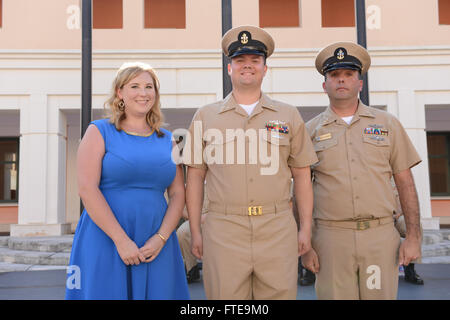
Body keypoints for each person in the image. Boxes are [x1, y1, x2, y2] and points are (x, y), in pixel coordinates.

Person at [184, 25, 318, 300]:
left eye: (255, 61)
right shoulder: (205, 116)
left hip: (277, 227)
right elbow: (195, 177)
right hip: (223, 229)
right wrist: (196, 230)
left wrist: (305, 228)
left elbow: (302, 176)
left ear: (265, 68)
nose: (248, 66)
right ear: (229, 68)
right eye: (240, 61)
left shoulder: (288, 115)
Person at [302, 42, 422, 300]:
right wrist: (304, 246)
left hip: (379, 239)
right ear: (325, 85)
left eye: (348, 75)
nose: (341, 80)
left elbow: (406, 183)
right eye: (334, 75)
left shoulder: (387, 124)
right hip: (330, 240)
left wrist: (413, 236)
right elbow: (299, 191)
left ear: (360, 83)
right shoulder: (308, 131)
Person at [66, 62, 190, 300]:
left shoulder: (169, 140)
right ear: (120, 92)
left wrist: (161, 238)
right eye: (134, 86)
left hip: (157, 241)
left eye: (148, 87)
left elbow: (177, 193)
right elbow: (87, 188)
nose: (143, 93)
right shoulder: (99, 131)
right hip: (106, 237)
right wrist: (121, 240)